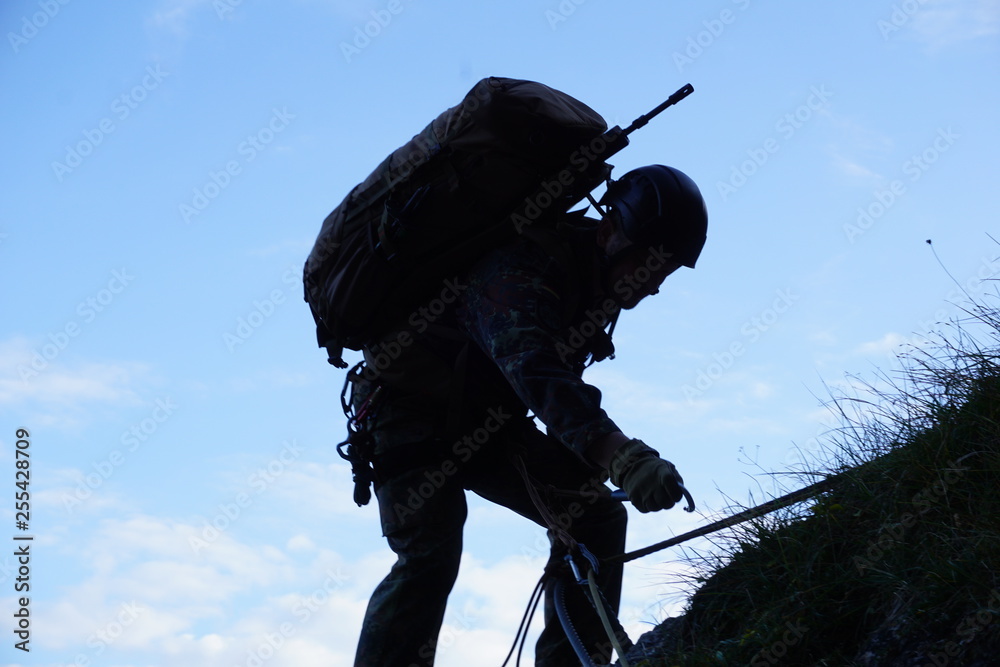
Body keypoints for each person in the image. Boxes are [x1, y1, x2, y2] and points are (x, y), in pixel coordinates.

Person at [347, 164, 708, 666]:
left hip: (489, 424)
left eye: (665, 273)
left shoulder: (591, 280)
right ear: (609, 233)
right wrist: (622, 456)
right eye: (649, 264)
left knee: (595, 517)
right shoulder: (519, 268)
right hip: (406, 415)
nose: (654, 285)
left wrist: (593, 458)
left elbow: (549, 380)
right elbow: (535, 369)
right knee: (429, 555)